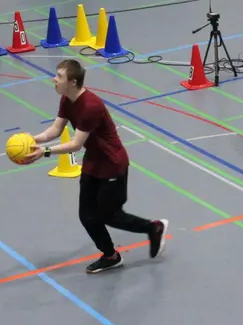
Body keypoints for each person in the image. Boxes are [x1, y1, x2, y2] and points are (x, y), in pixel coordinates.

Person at [24, 59, 167, 274]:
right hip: (93, 162)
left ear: (72, 82)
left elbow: (75, 144)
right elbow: (55, 129)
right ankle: (111, 255)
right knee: (87, 215)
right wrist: (32, 139)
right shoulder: (66, 99)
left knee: (110, 215)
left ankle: (154, 228)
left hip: (112, 163)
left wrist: (44, 152)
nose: (54, 79)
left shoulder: (91, 106)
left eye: (59, 77)